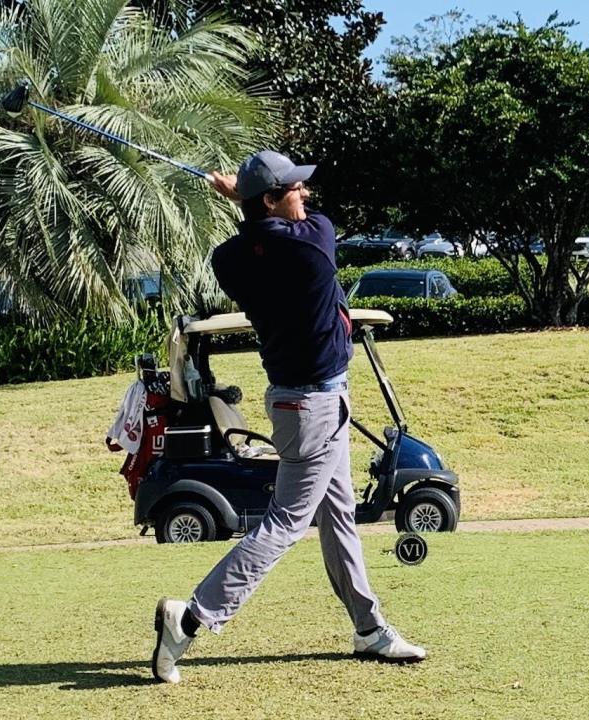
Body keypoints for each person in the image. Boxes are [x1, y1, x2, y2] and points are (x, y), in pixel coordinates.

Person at [151, 150, 426, 684]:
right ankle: (190, 618)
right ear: (274, 200)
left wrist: (249, 204)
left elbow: (253, 238)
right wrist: (244, 196)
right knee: (286, 522)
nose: (307, 197)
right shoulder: (314, 245)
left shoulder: (228, 259)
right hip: (314, 407)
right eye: (295, 190)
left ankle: (368, 629)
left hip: (299, 399)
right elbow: (306, 226)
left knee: (339, 513)